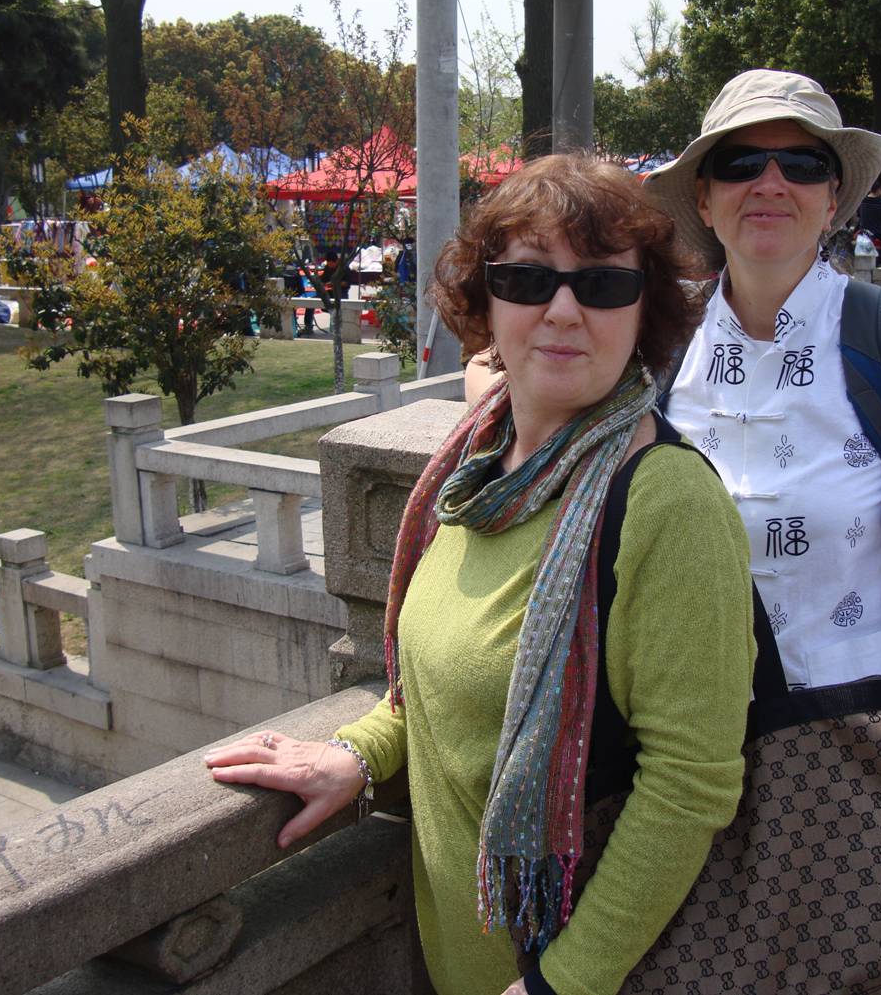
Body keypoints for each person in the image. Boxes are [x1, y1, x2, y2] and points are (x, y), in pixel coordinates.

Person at [205, 155, 757, 995]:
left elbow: (690, 786)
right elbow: (441, 692)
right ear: (486, 301)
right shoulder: (474, 471)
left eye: (603, 285)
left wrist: (557, 984)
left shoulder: (668, 504)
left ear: (642, 310)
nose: (563, 309)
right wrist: (358, 755)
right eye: (529, 277)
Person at [641, 67, 881, 938]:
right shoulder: (659, 346)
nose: (769, 183)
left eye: (800, 163)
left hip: (870, 770)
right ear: (703, 191)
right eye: (740, 162)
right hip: (695, 783)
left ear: (834, 193)